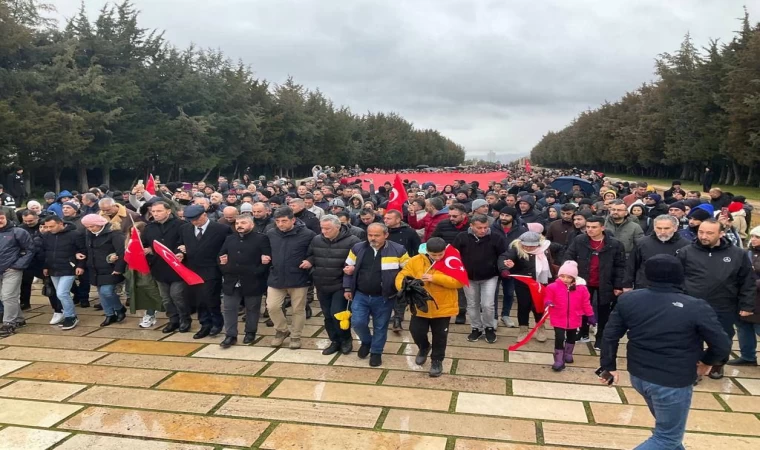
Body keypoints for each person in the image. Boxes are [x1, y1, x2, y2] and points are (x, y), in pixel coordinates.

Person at [600, 255, 731, 450]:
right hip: (672, 381)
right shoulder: (695, 306)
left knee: (669, 432)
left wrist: (608, 367)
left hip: (639, 376)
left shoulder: (629, 299)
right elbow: (722, 344)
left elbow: (610, 335)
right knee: (667, 438)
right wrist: (706, 361)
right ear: (680, 275)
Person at [677, 219, 755, 379]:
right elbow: (677, 277)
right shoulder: (686, 252)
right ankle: (693, 368)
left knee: (723, 337)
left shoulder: (737, 254)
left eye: (709, 233)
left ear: (721, 233)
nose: (704, 236)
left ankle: (717, 364)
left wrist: (747, 305)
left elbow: (747, 281)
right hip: (692, 304)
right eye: (701, 232)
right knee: (690, 338)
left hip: (724, 305)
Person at [395, 237, 463, 377]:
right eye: (434, 255)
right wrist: (405, 285)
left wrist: (435, 278)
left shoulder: (452, 261)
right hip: (420, 304)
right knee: (416, 331)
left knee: (440, 336)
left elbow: (458, 282)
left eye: (440, 254)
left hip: (443, 306)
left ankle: (437, 360)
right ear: (427, 252)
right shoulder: (415, 261)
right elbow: (403, 275)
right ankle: (424, 347)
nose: (437, 258)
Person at [343, 223, 408, 367]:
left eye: (376, 235)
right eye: (370, 235)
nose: (372, 238)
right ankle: (366, 342)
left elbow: (408, 271)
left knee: (380, 326)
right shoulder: (358, 248)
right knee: (357, 323)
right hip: (361, 294)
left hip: (384, 297)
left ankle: (376, 352)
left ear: (386, 235)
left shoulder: (398, 250)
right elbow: (347, 269)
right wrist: (347, 288)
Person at [565, 216, 626, 350]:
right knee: (582, 308)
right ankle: (583, 332)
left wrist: (618, 285)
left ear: (602, 228)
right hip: (583, 280)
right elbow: (569, 256)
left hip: (605, 281)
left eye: (594, 227)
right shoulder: (579, 240)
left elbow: (620, 266)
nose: (590, 230)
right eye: (588, 227)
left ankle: (600, 337)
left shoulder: (614, 244)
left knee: (603, 311)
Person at [308, 215, 360, 355]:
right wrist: (312, 269)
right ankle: (334, 340)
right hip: (322, 283)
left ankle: (345, 339)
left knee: (338, 314)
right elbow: (311, 255)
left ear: (338, 227)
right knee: (327, 316)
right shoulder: (317, 239)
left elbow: (358, 262)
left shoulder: (352, 241)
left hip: (340, 285)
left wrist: (349, 279)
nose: (324, 231)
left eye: (328, 229)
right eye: (322, 228)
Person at [177, 204, 231, 339]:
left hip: (212, 269)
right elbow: (180, 245)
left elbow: (228, 247)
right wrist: (180, 253)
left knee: (210, 298)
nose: (194, 222)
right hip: (192, 270)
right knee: (197, 299)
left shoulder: (221, 229)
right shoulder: (185, 228)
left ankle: (217, 323)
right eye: (191, 220)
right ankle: (205, 324)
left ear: (204, 215)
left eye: (196, 219)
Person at [217, 214, 271, 348]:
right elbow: (221, 256)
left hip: (253, 280)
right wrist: (224, 267)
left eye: (243, 223)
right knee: (229, 308)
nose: (239, 226)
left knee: (252, 308)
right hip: (231, 280)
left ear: (251, 225)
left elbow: (267, 259)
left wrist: (257, 271)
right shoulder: (230, 238)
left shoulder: (261, 238)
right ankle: (230, 335)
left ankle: (250, 332)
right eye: (237, 223)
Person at [266, 206, 316, 349]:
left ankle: (295, 336)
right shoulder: (271, 233)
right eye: (277, 221)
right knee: (272, 307)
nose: (280, 224)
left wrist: (310, 261)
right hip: (276, 277)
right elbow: (265, 249)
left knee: (297, 309)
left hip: (298, 278)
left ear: (293, 220)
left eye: (284, 221)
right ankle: (282, 330)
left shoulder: (308, 234)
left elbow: (316, 251)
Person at [453, 214, 507, 344]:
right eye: (479, 228)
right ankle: (476, 327)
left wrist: (505, 266)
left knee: (487, 304)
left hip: (490, 276)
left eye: (485, 227)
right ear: (471, 226)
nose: (483, 230)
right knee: (472, 304)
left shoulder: (496, 237)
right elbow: (454, 255)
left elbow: (503, 254)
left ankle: (489, 327)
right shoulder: (462, 237)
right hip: (468, 277)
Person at [142, 201, 191, 333]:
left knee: (177, 295)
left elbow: (187, 243)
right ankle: (173, 320)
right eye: (153, 211)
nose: (155, 214)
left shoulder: (182, 225)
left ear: (168, 211)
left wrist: (182, 252)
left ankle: (185, 319)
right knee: (165, 298)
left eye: (159, 211)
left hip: (177, 268)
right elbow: (145, 244)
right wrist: (147, 250)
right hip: (159, 268)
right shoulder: (149, 228)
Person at [498, 231, 554, 342]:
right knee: (523, 306)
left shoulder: (545, 248)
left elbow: (560, 252)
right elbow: (503, 258)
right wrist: (504, 268)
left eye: (531, 246)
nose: (528, 248)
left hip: (541, 283)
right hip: (523, 283)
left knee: (538, 306)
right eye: (525, 245)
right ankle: (523, 329)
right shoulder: (516, 249)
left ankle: (540, 327)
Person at [543, 261, 594, 371]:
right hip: (558, 315)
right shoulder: (552, 287)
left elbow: (586, 303)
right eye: (562, 276)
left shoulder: (582, 289)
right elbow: (547, 297)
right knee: (559, 336)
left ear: (574, 278)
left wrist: (590, 315)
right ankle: (558, 358)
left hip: (574, 317)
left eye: (568, 277)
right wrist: (548, 302)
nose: (565, 279)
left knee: (571, 336)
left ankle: (568, 353)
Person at [40, 215, 86, 330]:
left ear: (60, 224)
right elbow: (46, 252)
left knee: (62, 293)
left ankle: (71, 316)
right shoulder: (47, 236)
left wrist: (80, 265)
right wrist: (45, 266)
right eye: (47, 227)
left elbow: (83, 250)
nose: (49, 229)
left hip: (68, 268)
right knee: (61, 294)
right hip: (53, 268)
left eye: (52, 226)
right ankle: (67, 314)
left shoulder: (74, 234)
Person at [81, 214, 127, 327]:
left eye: (92, 226)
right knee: (101, 293)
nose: (90, 229)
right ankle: (109, 314)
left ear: (100, 224)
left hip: (110, 268)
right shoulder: (89, 234)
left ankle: (119, 308)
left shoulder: (114, 234)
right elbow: (88, 249)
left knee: (107, 291)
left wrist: (118, 269)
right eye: (87, 227)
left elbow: (122, 252)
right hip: (95, 268)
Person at [624, 215, 689, 290]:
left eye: (666, 228)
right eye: (659, 228)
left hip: (674, 289)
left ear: (675, 228)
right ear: (654, 228)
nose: (662, 231)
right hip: (645, 287)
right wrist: (627, 284)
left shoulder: (686, 245)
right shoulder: (642, 243)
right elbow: (631, 265)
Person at [491, 206, 528, 328]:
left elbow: (523, 248)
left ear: (513, 217)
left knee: (509, 292)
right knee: (493, 293)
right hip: (494, 264)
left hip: (512, 265)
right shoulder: (492, 228)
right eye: (502, 215)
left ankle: (505, 315)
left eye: (507, 215)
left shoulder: (521, 230)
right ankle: (494, 317)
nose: (503, 218)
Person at [729, 226, 760, 366]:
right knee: (743, 326)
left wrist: (751, 282)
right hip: (745, 297)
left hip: (758, 298)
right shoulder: (747, 253)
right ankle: (747, 356)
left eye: (757, 237)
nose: (753, 239)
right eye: (752, 236)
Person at [0, 213, 34, 336]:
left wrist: (17, 265)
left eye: (1, 218)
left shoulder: (18, 232)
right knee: (5, 297)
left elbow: (30, 250)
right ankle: (19, 319)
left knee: (8, 296)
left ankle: (9, 323)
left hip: (11, 269)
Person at [124, 221, 163, 328]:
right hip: (134, 271)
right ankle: (149, 312)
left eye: (136, 232)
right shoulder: (129, 242)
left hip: (148, 270)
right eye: (131, 232)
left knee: (151, 291)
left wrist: (150, 250)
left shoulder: (149, 242)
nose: (133, 235)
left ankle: (151, 313)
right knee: (140, 293)